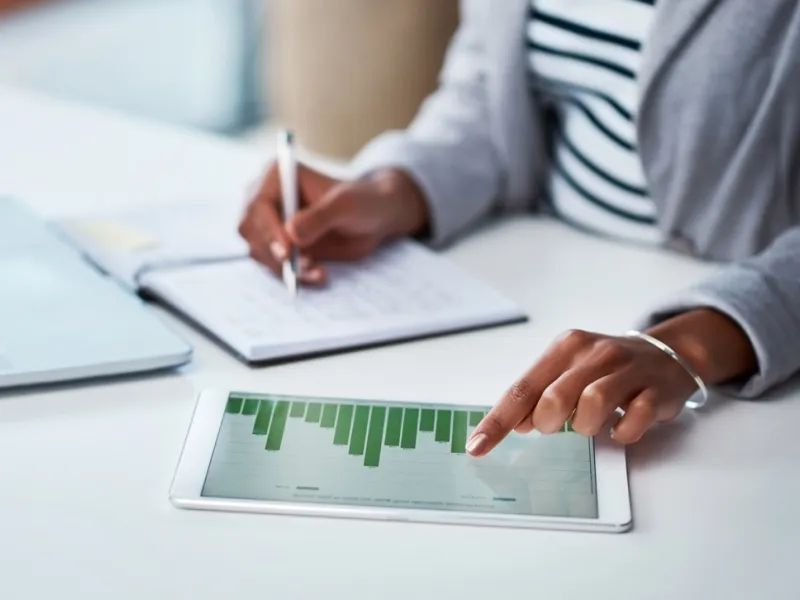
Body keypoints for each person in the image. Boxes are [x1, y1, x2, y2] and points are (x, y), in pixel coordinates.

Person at [239, 0, 800, 456]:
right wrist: (396, 188)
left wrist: (699, 340)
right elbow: (487, 94)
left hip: (743, 331)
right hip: (534, 273)